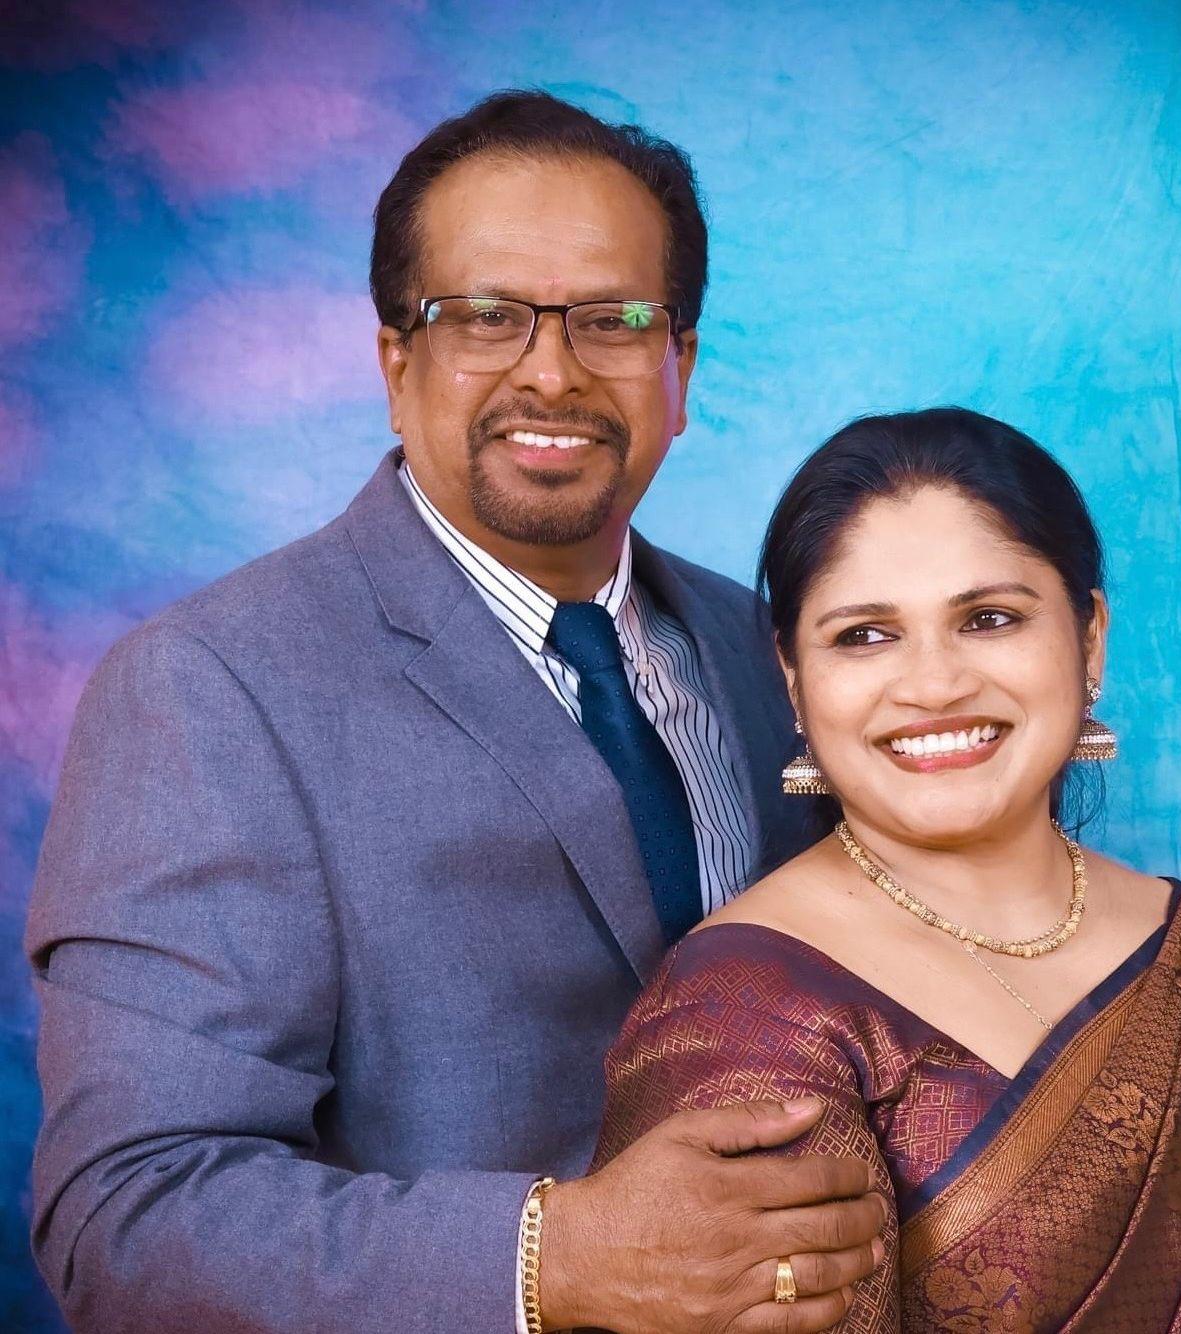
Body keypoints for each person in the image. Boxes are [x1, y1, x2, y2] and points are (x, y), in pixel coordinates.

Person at [25, 92, 887, 1334]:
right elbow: (128, 1218)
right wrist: (557, 1257)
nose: (551, 369)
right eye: (485, 316)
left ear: (680, 369)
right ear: (396, 362)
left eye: (613, 320)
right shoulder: (208, 689)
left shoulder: (771, 652)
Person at [593, 407, 1181, 1331]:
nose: (934, 684)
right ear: (791, 678)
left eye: (989, 619)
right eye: (865, 635)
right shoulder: (743, 1016)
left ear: (1089, 639)